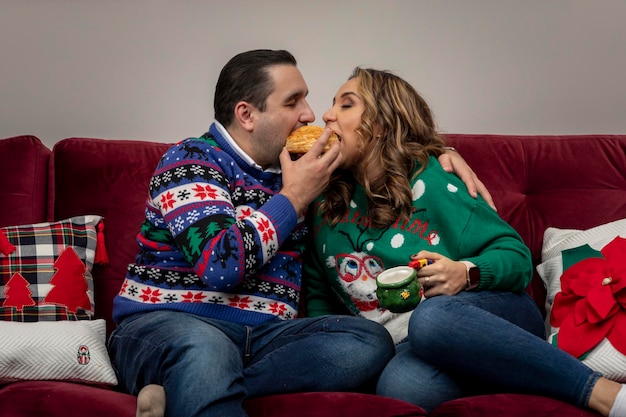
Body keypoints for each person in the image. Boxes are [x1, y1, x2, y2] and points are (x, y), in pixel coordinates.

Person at [106, 50, 491, 417]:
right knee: (205, 349)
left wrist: (440, 152)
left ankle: (178, 388)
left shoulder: (307, 169)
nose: (310, 114)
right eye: (293, 102)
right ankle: (187, 374)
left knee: (367, 342)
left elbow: (383, 146)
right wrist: (294, 197)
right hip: (169, 326)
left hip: (266, 342)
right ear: (247, 114)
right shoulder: (191, 160)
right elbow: (221, 264)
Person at [303, 67, 626, 417]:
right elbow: (322, 294)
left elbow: (516, 258)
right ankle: (514, 367)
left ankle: (600, 392)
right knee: (402, 387)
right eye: (333, 103)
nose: (327, 114)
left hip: (486, 314)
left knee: (430, 317)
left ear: (381, 124)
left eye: (346, 105)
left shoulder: (434, 181)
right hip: (409, 346)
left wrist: (465, 273)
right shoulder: (324, 202)